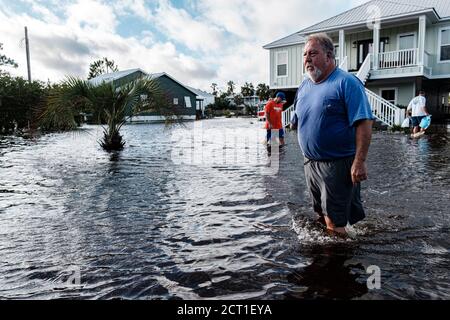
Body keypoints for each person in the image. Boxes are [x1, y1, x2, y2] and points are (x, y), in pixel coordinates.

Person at [291, 33, 375, 237]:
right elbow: (298, 119)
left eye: (313, 53)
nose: (307, 59)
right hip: (310, 163)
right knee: (320, 214)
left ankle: (336, 265)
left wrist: (359, 161)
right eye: (304, 55)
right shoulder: (304, 86)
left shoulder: (347, 82)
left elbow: (364, 122)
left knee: (334, 222)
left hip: (337, 164)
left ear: (329, 56)